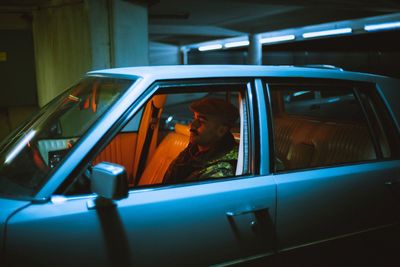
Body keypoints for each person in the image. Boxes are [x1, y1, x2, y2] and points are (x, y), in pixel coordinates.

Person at [163, 97, 239, 183]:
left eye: (201, 121)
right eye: (194, 119)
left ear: (221, 130)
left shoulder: (221, 171)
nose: (192, 125)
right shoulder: (193, 150)